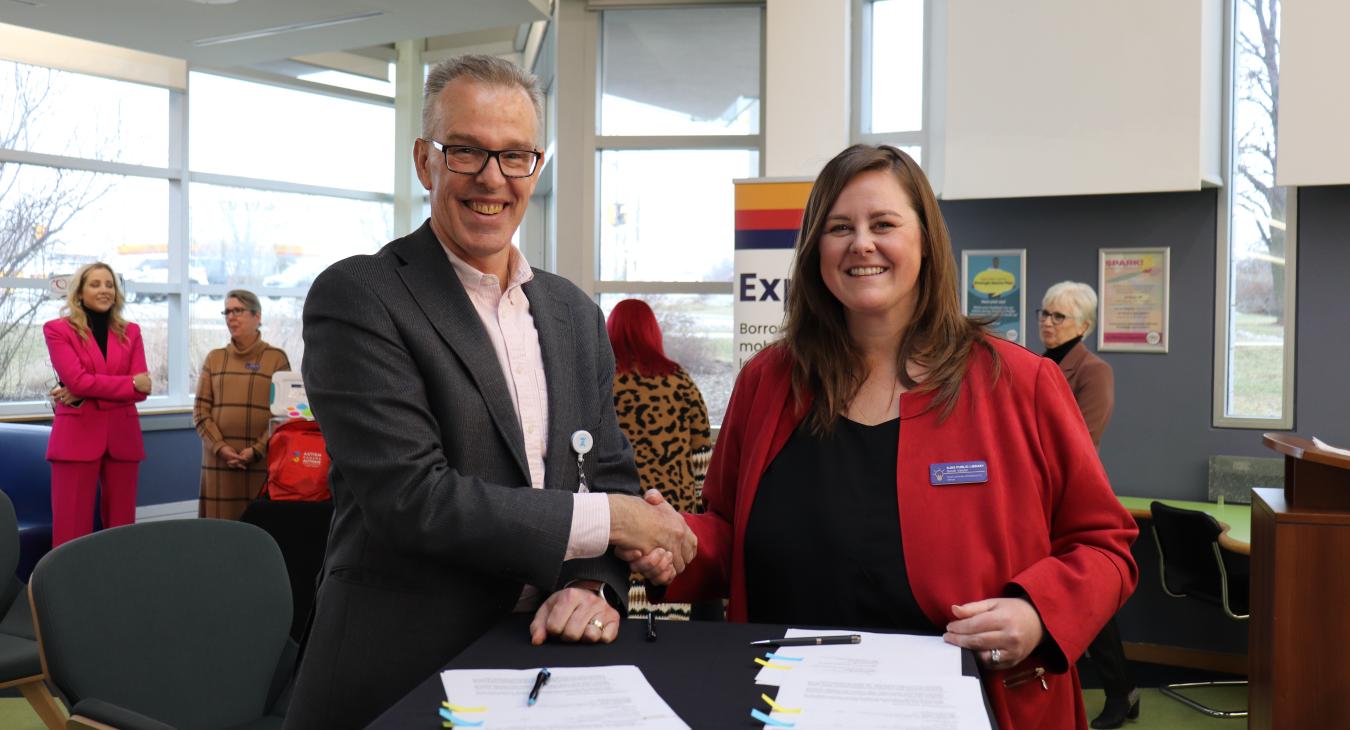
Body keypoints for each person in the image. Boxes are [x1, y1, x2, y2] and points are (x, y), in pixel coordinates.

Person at [640, 145, 1139, 730]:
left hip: (975, 708)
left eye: (883, 224)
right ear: (815, 252)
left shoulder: (1022, 383)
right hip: (785, 707)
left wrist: (1037, 611)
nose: (861, 244)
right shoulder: (768, 383)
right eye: (839, 228)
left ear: (926, 241)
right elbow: (727, 532)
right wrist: (680, 542)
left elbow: (1104, 545)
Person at [286, 54, 696, 729]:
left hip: (543, 669)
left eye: (516, 158)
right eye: (467, 151)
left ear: (535, 168)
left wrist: (597, 583)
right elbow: (413, 500)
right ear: (426, 162)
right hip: (398, 680)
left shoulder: (571, 313)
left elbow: (610, 475)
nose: (491, 179)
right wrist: (619, 522)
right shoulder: (362, 296)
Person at [1038, 282, 1135, 728]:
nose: (1048, 322)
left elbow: (1083, 444)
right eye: (1045, 313)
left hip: (1068, 500)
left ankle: (1120, 693)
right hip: (1032, 501)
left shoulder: (1093, 371)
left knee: (1087, 600)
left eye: (1059, 317)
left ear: (1085, 326)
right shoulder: (1034, 364)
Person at [606, 298, 713, 619]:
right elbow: (701, 459)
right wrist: (696, 511)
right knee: (671, 631)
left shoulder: (601, 383)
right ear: (653, 332)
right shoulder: (679, 381)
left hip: (618, 519)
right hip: (671, 520)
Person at [43, 262, 150, 547]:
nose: (104, 290)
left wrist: (88, 388)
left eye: (109, 284)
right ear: (79, 292)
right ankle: (66, 588)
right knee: (70, 529)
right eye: (95, 284)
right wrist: (126, 385)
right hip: (76, 438)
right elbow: (77, 381)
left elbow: (143, 389)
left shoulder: (132, 332)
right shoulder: (57, 330)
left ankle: (119, 586)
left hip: (123, 438)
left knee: (122, 530)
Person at [193, 290, 291, 520]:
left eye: (238, 310)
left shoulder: (276, 358)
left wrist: (256, 450)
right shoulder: (214, 358)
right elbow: (200, 412)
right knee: (218, 534)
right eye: (227, 311)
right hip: (219, 463)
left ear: (257, 316)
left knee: (257, 529)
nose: (231, 317)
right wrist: (221, 448)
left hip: (260, 463)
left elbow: (284, 416)